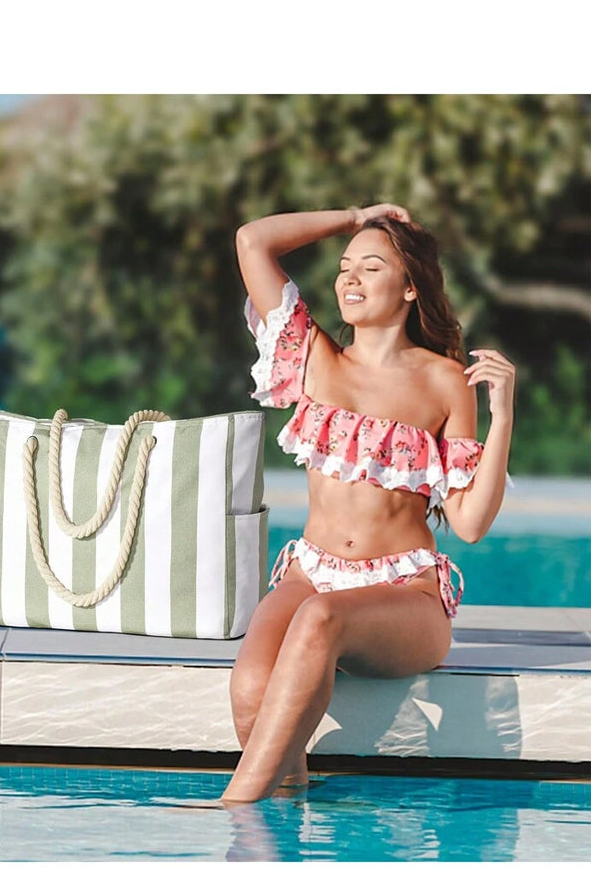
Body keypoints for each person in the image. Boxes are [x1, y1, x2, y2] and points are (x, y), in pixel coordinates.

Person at [221, 203, 515, 804]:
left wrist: (503, 416)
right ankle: (281, 820)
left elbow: (469, 522)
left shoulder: (445, 381)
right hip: (312, 573)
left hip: (404, 592)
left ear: (410, 287)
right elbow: (253, 240)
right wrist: (354, 217)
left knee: (319, 619)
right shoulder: (313, 357)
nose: (350, 278)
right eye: (344, 267)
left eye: (371, 267)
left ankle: (231, 808)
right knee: (251, 686)